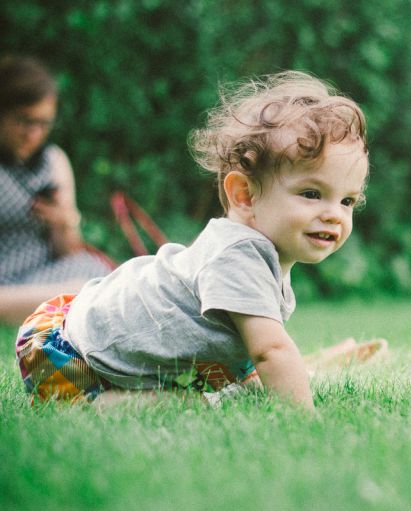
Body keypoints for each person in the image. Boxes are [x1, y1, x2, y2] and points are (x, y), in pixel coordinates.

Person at [15, 71, 385, 411]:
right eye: (311, 193)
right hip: (68, 357)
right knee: (189, 404)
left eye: (347, 200)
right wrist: (304, 420)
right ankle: (95, 407)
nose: (334, 213)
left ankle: (306, 368)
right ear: (244, 195)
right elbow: (270, 350)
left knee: (233, 387)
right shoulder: (239, 254)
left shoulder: (258, 252)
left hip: (82, 327)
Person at [0, 55, 112, 324]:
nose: (33, 133)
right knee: (93, 292)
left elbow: (68, 252)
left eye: (43, 123)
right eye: (24, 121)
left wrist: (64, 222)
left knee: (100, 273)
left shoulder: (53, 161)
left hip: (40, 275)